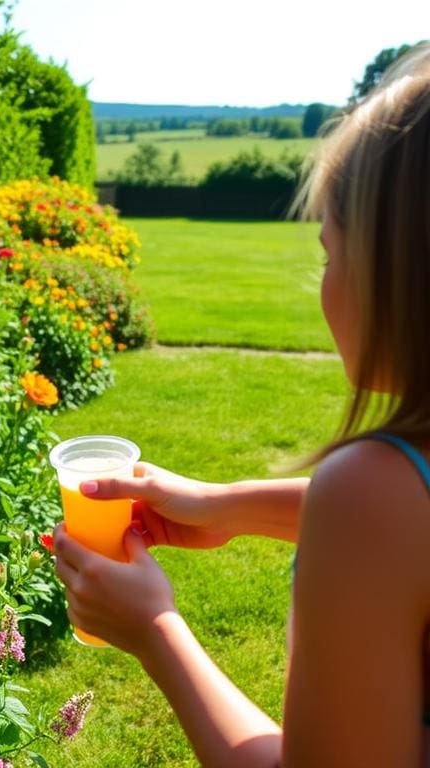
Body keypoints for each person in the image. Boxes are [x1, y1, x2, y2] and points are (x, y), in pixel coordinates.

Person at [53, 44, 430, 767]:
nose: (324, 281)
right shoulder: (389, 499)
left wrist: (155, 629)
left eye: (330, 253)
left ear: (397, 271)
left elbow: (382, 517)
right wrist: (224, 505)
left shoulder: (373, 489)